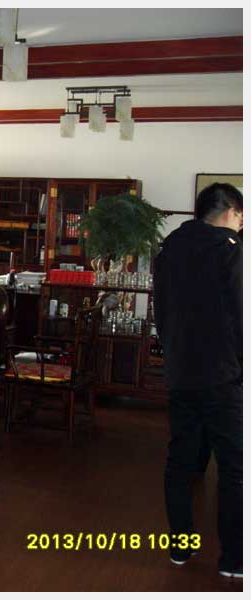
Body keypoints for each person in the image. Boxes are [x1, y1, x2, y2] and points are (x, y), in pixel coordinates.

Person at [154, 182, 242, 578]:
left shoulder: (169, 249)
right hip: (223, 376)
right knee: (235, 467)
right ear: (230, 212)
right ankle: (234, 560)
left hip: (180, 373)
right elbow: (240, 315)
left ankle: (180, 547)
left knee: (181, 462)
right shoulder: (230, 250)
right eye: (241, 217)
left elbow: (161, 313)